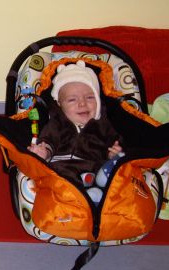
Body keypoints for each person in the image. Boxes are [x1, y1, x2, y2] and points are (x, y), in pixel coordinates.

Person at [28, 60, 123, 203]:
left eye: (90, 97)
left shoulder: (103, 125)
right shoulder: (58, 123)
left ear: (98, 100)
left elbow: (115, 140)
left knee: (115, 168)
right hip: (62, 170)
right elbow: (48, 139)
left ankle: (95, 193)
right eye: (72, 100)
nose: (82, 103)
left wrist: (114, 153)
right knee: (51, 176)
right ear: (60, 105)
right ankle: (84, 197)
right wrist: (44, 152)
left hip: (93, 170)